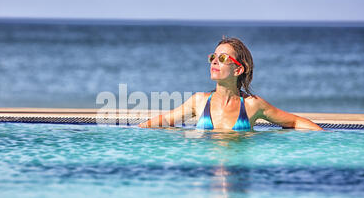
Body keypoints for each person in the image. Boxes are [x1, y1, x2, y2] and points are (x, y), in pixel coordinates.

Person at [138, 37, 323, 131]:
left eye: (223, 58)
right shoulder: (199, 102)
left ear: (238, 70)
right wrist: (137, 132)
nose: (214, 62)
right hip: (208, 173)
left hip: (238, 171)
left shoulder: (252, 105)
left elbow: (294, 121)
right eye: (213, 57)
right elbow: (164, 121)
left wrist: (328, 136)